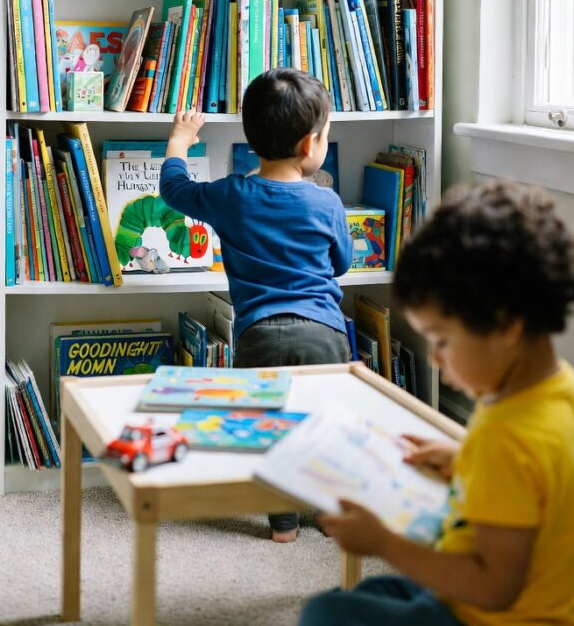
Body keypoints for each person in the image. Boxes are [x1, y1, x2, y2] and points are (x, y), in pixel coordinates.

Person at [299, 179, 574, 626]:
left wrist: (384, 544)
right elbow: (541, 485)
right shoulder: (552, 391)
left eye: (442, 340)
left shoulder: (509, 437)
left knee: (326, 612)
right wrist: (466, 460)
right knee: (374, 594)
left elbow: (494, 587)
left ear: (507, 326)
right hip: (516, 598)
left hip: (490, 615)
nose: (434, 358)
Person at [159, 68, 354, 543]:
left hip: (257, 335)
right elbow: (342, 264)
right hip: (323, 333)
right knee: (324, 427)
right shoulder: (326, 202)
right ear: (309, 145)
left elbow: (174, 189)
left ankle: (283, 525)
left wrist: (180, 141)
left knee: (268, 429)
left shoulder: (231, 195)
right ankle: (329, 513)